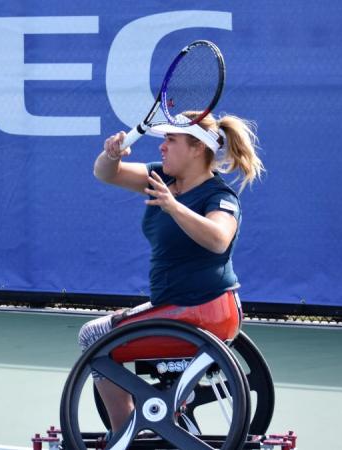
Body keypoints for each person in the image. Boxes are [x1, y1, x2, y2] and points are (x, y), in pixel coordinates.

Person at [78, 110, 265, 436]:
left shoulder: (219, 196)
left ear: (196, 148)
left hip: (204, 312)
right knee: (106, 330)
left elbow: (219, 240)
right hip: (176, 308)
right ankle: (157, 413)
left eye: (171, 139)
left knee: (93, 337)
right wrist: (110, 156)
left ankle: (125, 434)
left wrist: (174, 206)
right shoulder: (161, 179)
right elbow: (106, 173)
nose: (162, 147)